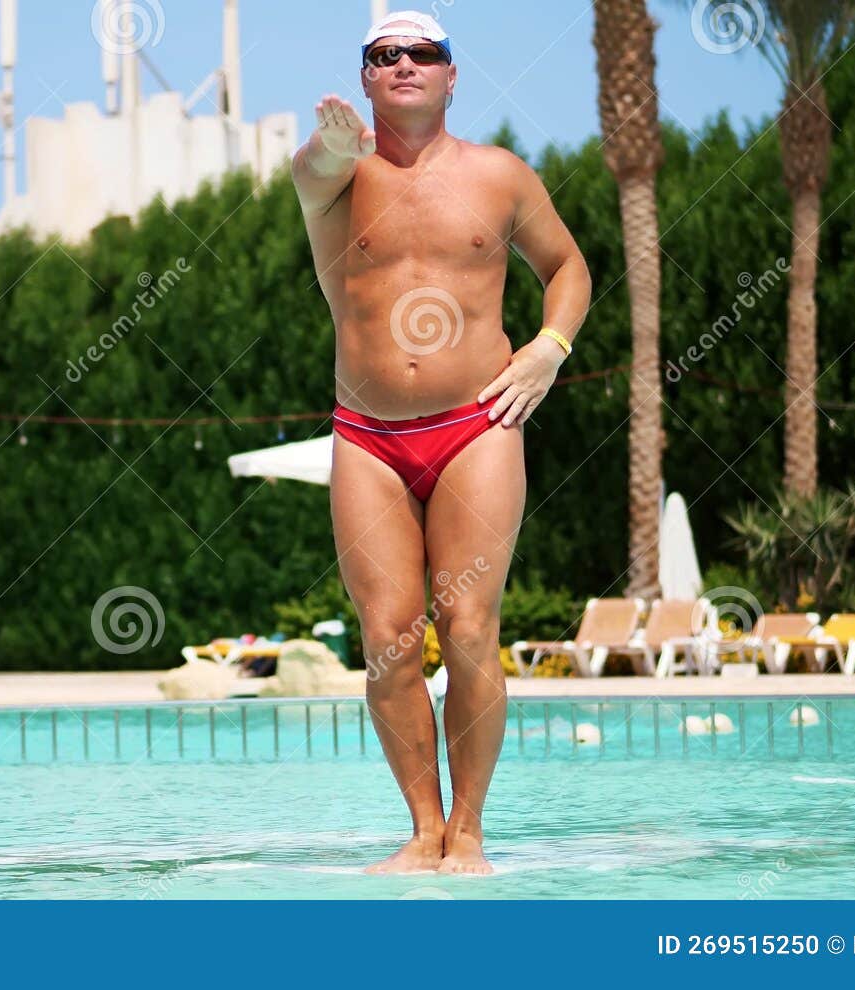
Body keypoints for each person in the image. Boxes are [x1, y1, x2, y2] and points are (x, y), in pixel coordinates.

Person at [291, 10, 591, 874]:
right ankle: (422, 830)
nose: (404, 64)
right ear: (365, 79)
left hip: (478, 427)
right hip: (368, 436)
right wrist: (330, 145)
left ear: (453, 75)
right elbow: (311, 168)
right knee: (387, 638)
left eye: (423, 53)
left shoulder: (500, 177)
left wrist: (547, 350)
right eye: (383, 56)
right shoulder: (335, 178)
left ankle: (469, 830)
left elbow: (569, 269)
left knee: (466, 626)